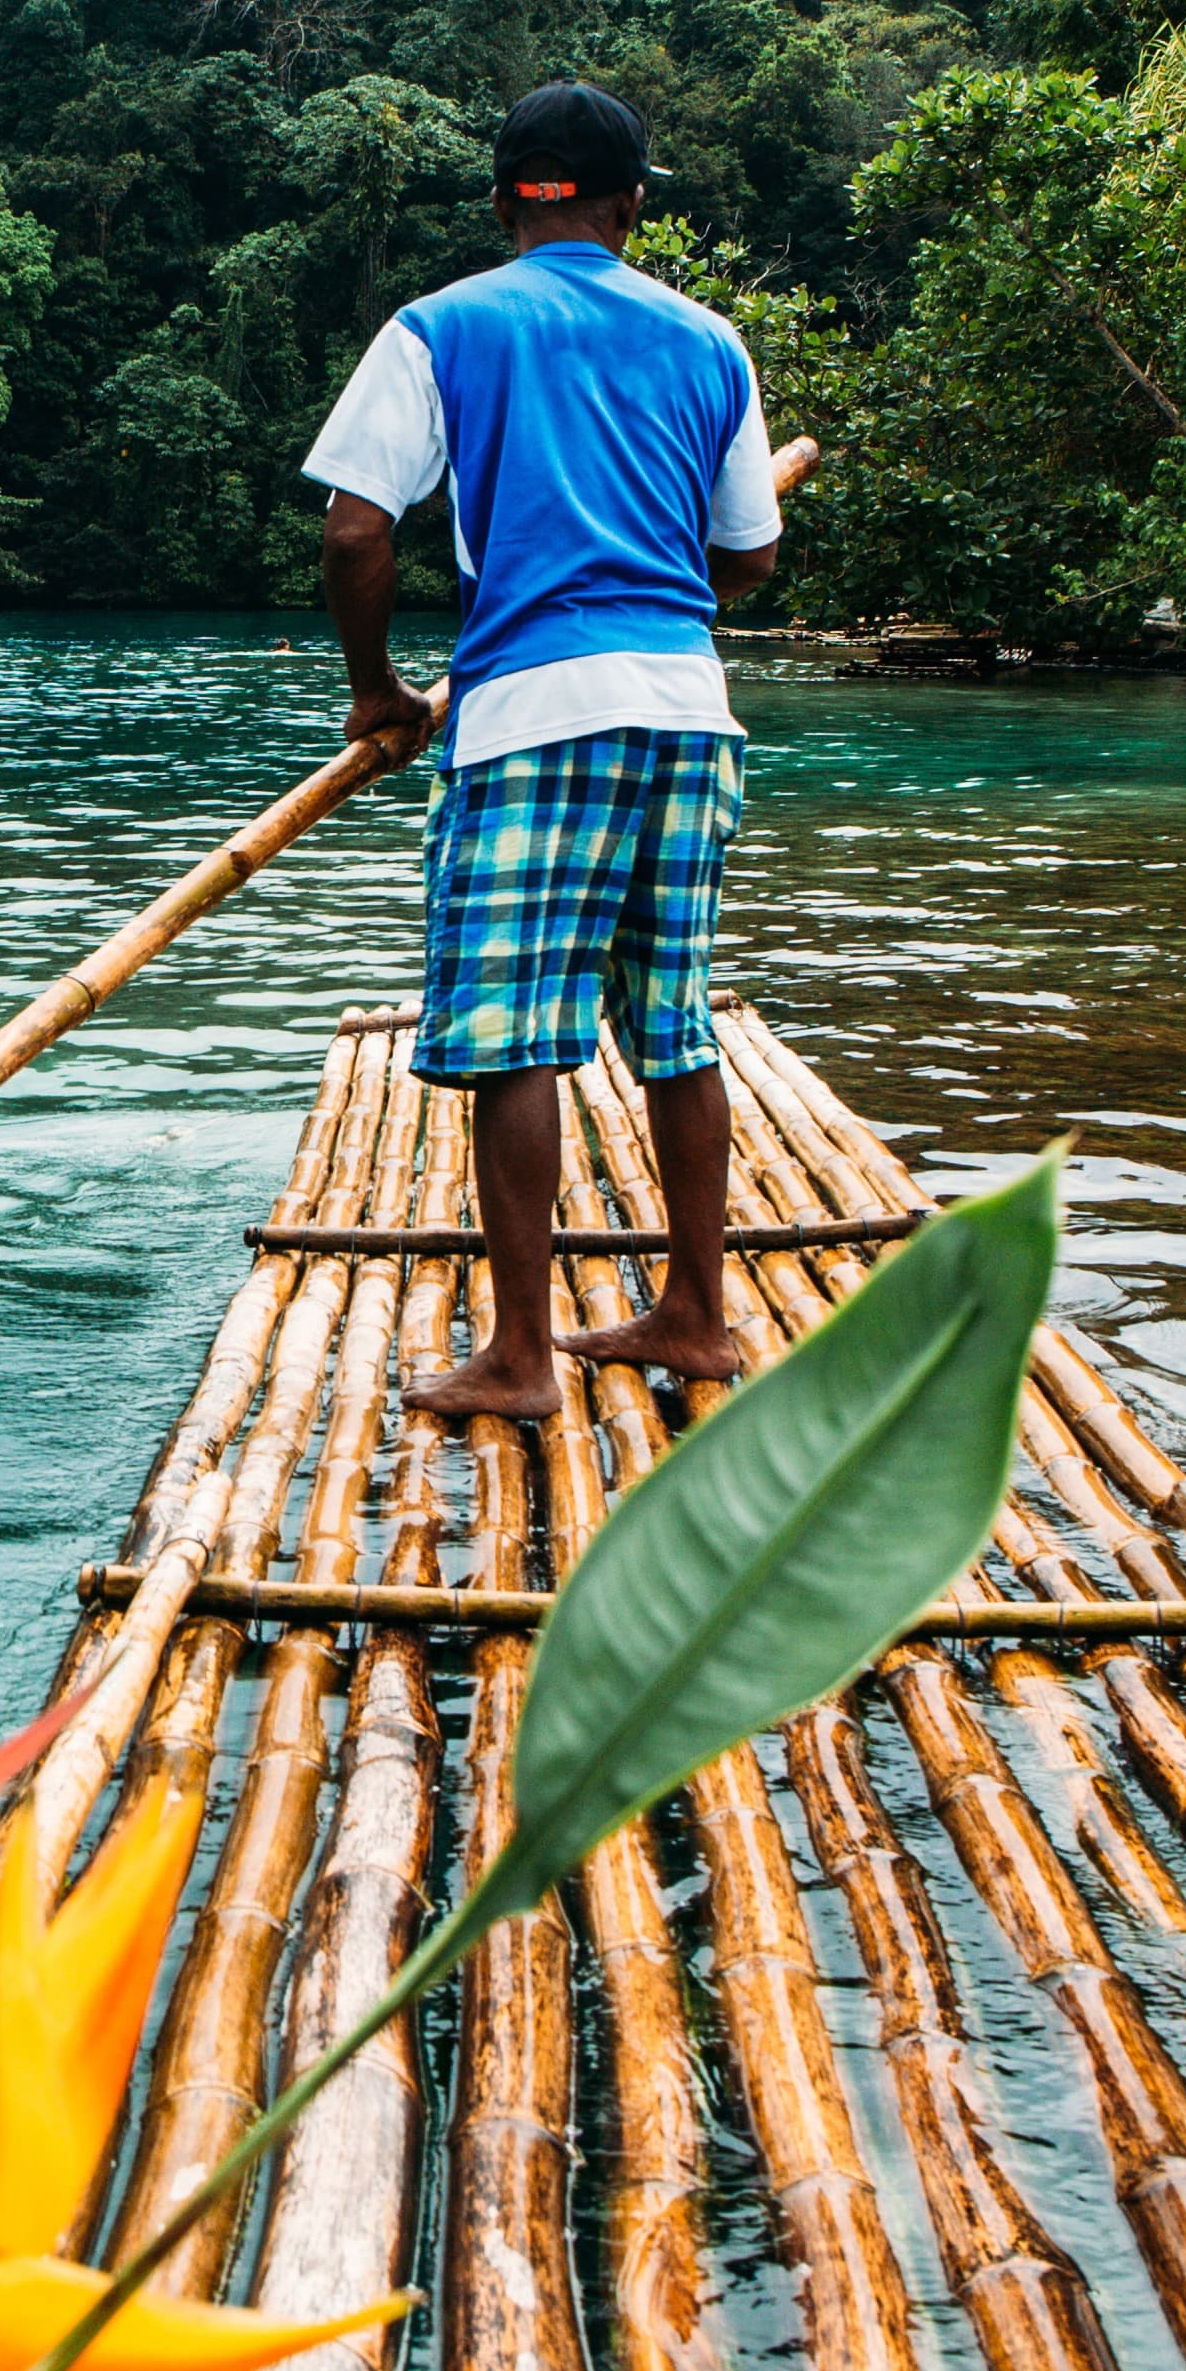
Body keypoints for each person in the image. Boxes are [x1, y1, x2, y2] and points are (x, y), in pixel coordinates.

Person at [303, 79, 781, 1421]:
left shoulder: (442, 325)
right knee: (672, 1028)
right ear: (627, 204)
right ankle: (693, 1314)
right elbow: (746, 554)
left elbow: (355, 532)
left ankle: (519, 1356)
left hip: (531, 721)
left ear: (510, 200)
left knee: (517, 1039)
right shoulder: (709, 344)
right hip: (688, 715)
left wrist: (376, 690)